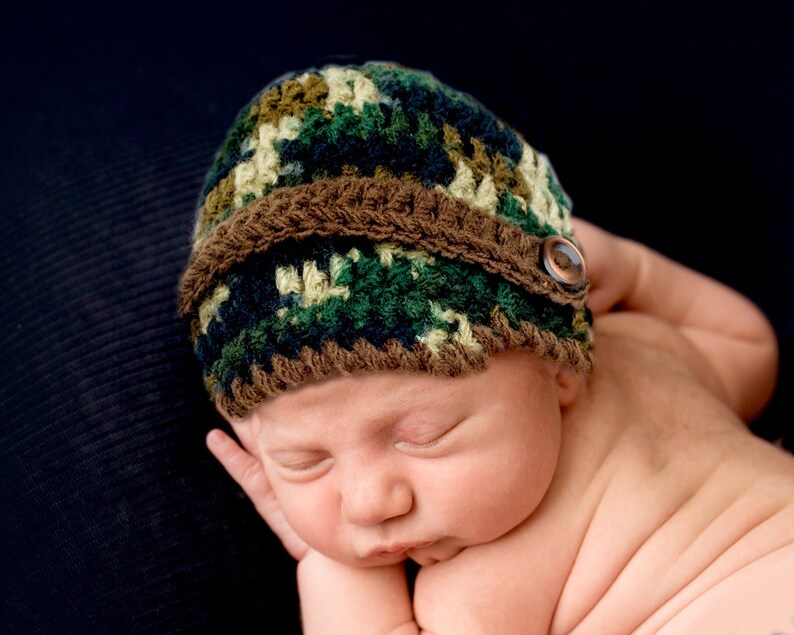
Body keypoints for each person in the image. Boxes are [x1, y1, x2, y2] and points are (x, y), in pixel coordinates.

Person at [178, 61, 794, 633]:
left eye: (422, 435)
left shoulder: (483, 589)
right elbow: (747, 344)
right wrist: (637, 275)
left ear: (554, 363)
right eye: (304, 462)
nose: (371, 504)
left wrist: (325, 562)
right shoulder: (650, 351)